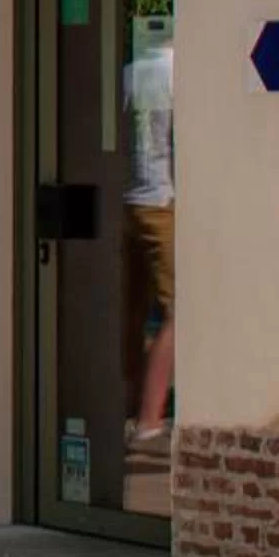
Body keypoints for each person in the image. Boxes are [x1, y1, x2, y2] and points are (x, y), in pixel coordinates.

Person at [123, 27, 178, 459]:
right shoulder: (179, 72)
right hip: (161, 200)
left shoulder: (130, 73)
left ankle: (120, 412)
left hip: (126, 200)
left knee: (131, 311)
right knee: (181, 313)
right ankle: (149, 420)